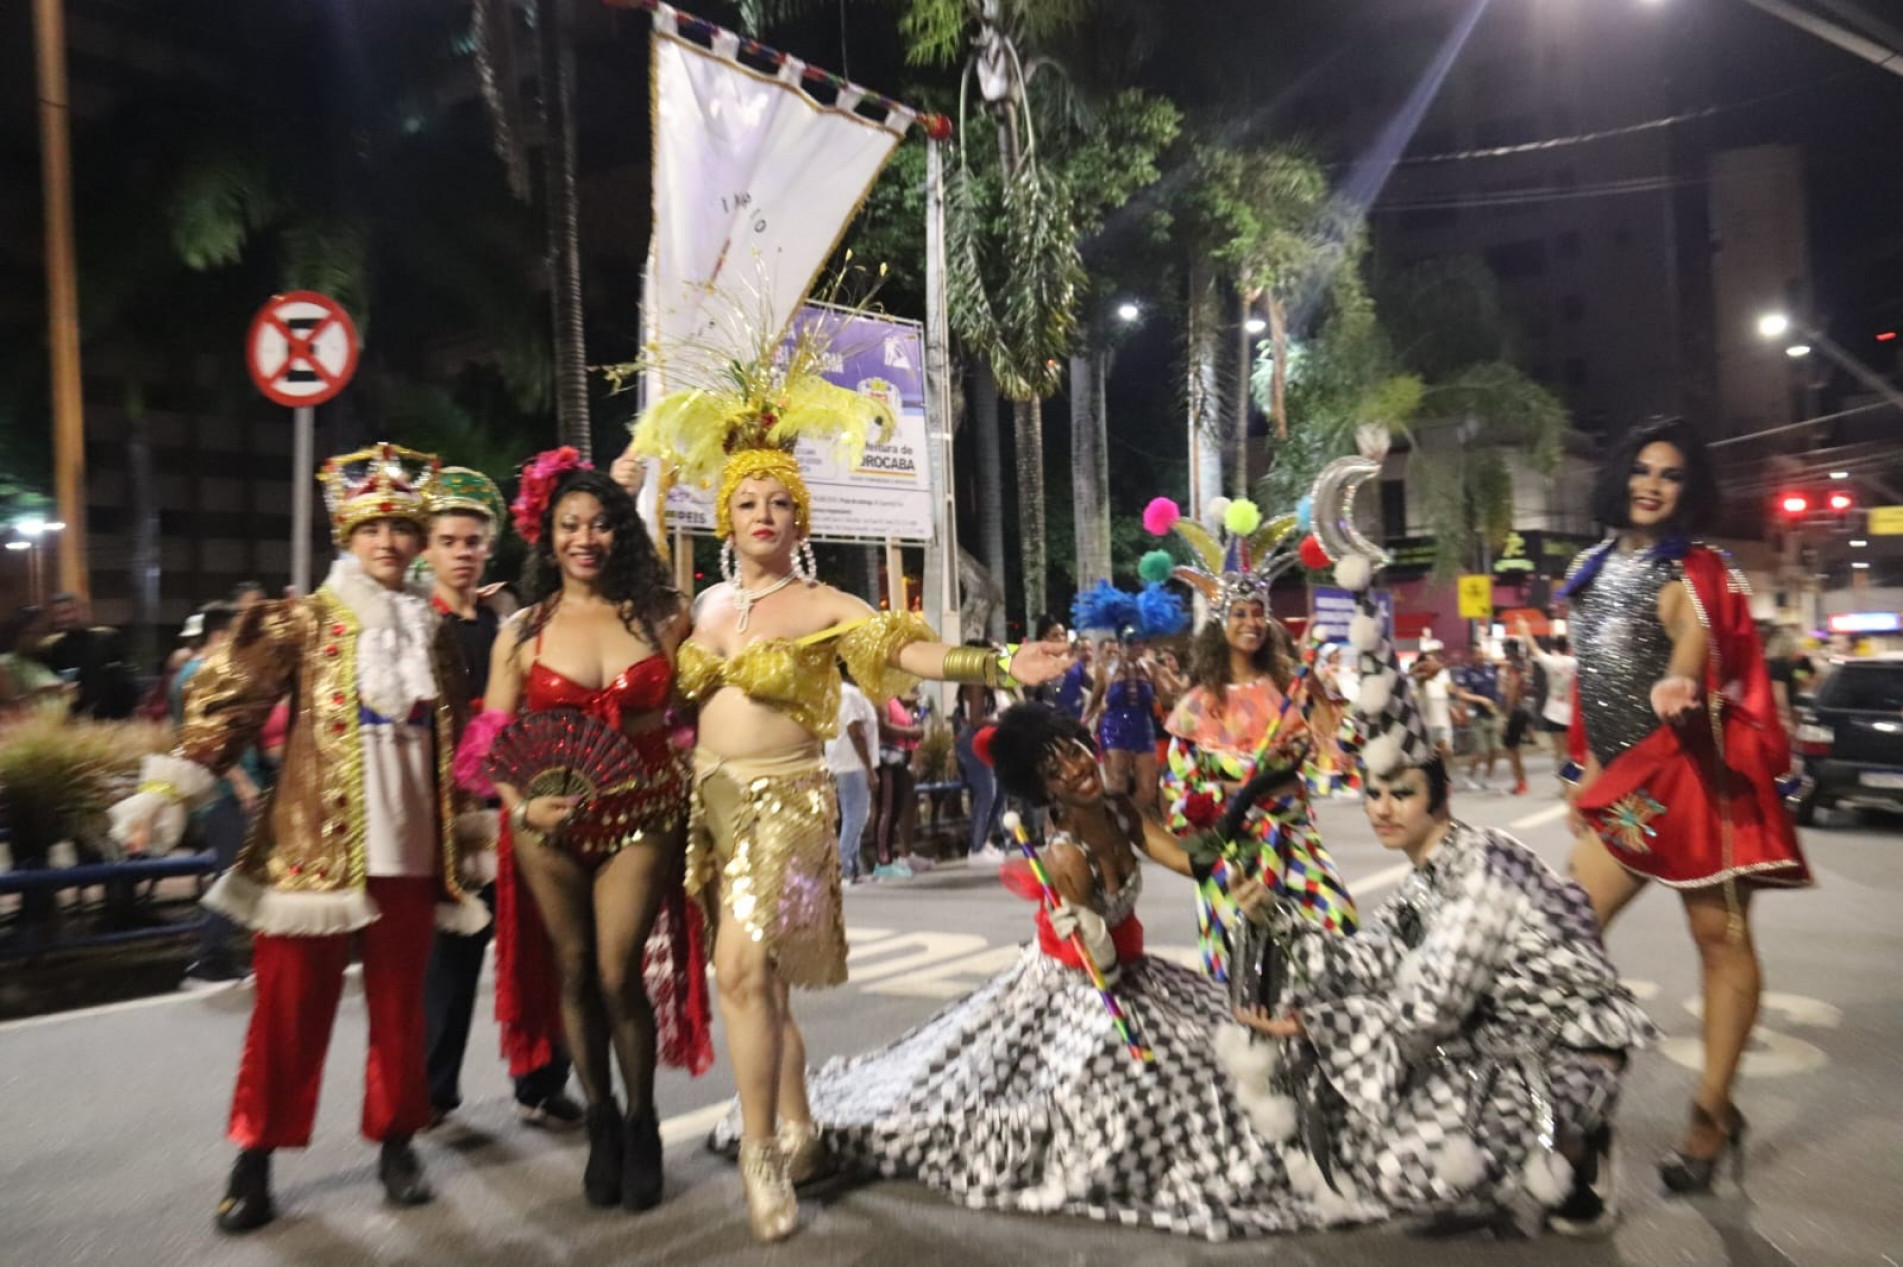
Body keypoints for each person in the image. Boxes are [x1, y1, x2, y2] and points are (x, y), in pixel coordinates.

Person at [622, 334, 1070, 1241]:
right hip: (707, 806)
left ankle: (760, 1154)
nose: (762, 513)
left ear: (801, 519)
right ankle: (802, 1129)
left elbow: (907, 648)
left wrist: (997, 659)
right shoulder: (704, 608)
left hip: (786, 805)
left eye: (780, 501)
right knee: (765, 989)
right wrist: (631, 473)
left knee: (740, 974)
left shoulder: (828, 607)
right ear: (724, 514)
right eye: (746, 500)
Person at [709, 701, 1334, 1241]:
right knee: (1150, 1085)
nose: (1077, 768)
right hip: (1081, 991)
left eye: (1075, 752)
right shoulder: (1065, 856)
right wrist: (1091, 936)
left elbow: (1196, 859)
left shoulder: (1120, 811)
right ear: (1043, 792)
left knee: (1237, 1044)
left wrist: (1258, 786)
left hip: (1132, 975)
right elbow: (1099, 971)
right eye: (1054, 768)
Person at [107, 443, 493, 1234]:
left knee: (400, 1013)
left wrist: (468, 825)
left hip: (414, 850)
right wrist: (167, 785)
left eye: (400, 526)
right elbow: (230, 701)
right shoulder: (300, 621)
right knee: (287, 1010)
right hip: (314, 852)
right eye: (371, 527)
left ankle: (396, 1140)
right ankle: (254, 1156)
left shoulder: (433, 632)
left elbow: (451, 743)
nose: (388, 541)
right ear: (345, 534)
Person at [1223, 551, 1654, 1238]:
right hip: (1495, 1042)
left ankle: (1575, 1143)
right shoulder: (1427, 875)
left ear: (1438, 795)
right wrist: (1273, 916)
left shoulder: (1480, 867)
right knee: (1355, 1127)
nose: (1383, 808)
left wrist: (1316, 1025)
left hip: (1567, 1053)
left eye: (1402, 792)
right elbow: (1370, 957)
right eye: (1373, 792)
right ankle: (1529, 1152)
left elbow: (1424, 1010)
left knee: (1401, 1170)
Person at [1558, 418, 1811, 1193]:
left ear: (1687, 489)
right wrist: (1584, 769)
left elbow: (1693, 643)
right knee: (1563, 934)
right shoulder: (1587, 566)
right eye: (1639, 469)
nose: (1650, 484)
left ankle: (1710, 1114)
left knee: (1716, 940)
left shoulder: (1703, 569)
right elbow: (1591, 676)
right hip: (1624, 785)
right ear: (1618, 477)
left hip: (1696, 776)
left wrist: (1679, 681)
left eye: (1668, 474)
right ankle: (1577, 1102)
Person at [466, 450, 713, 1213]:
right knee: (573, 970)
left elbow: (694, 714)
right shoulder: (522, 630)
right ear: (547, 535)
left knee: (616, 971)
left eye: (601, 522)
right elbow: (487, 740)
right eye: (570, 524)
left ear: (621, 532)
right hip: (548, 819)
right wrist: (518, 804)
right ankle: (600, 1119)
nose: (585, 537)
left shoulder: (664, 616)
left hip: (641, 810)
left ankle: (642, 1120)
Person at [417, 468, 580, 1134]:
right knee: (448, 965)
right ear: (427, 548)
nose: (461, 550)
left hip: (518, 808)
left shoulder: (506, 624)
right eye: (448, 539)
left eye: (472, 539)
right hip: (446, 819)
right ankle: (431, 1092)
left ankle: (542, 1083)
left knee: (538, 953)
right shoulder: (409, 628)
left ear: (489, 546)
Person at [1147, 494, 1358, 979]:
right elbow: (1177, 796)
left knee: (1335, 928)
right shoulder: (1197, 706)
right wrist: (1225, 798)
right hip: (1233, 857)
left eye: (1258, 612)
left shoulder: (1291, 688)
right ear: (1222, 624)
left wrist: (1322, 710)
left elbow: (1335, 763)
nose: (1252, 623)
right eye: (1240, 613)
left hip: (1294, 844)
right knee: (1247, 970)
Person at [170, 602, 264, 988]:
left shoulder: (205, 673)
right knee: (232, 876)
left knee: (236, 874)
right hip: (222, 793)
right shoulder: (202, 674)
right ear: (221, 635)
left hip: (225, 791)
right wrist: (241, 781)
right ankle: (207, 959)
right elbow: (205, 740)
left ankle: (220, 956)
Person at [34, 590, 137, 718]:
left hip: (115, 716)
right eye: (58, 614)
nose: (64, 618)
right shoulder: (53, 648)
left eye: (68, 612)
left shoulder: (108, 638)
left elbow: (127, 676)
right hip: (75, 720)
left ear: (84, 611)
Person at [952, 644, 1006, 862]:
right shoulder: (975, 681)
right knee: (986, 792)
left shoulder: (988, 682)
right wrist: (1004, 723)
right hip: (973, 741)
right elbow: (976, 720)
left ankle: (984, 840)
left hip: (983, 740)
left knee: (998, 793)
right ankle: (976, 847)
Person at [827, 669, 878, 883]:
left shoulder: (847, 693)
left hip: (847, 763)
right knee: (855, 816)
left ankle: (853, 867)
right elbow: (855, 731)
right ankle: (843, 867)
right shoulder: (848, 694)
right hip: (852, 763)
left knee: (856, 815)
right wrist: (869, 768)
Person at [1516, 617, 1577, 769]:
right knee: (1572, 751)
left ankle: (1565, 785)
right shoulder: (1575, 663)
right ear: (1568, 648)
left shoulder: (1551, 662)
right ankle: (1575, 782)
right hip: (1571, 712)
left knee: (1559, 751)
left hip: (1553, 712)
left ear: (1555, 648)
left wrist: (1524, 629)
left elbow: (1534, 647)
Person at [873, 689, 922, 870]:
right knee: (886, 810)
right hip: (886, 760)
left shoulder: (898, 701)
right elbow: (883, 727)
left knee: (895, 810)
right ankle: (882, 861)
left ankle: (890, 859)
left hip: (900, 759)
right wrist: (911, 732)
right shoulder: (882, 698)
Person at [1450, 644, 1503, 791]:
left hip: (1492, 713)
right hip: (1477, 715)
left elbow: (1502, 668)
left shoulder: (1490, 668)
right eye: (1478, 654)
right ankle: (1470, 777)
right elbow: (1460, 693)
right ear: (1472, 655)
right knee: (1481, 750)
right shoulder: (1466, 672)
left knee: (1495, 749)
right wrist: (1480, 699)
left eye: (1482, 653)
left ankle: (1488, 777)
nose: (1481, 656)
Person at [1497, 640, 1532, 795]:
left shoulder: (1512, 668)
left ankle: (1521, 782)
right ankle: (1521, 781)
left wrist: (1506, 715)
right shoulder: (1522, 665)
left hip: (1515, 711)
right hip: (1523, 708)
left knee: (1512, 750)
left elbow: (1511, 688)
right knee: (1515, 748)